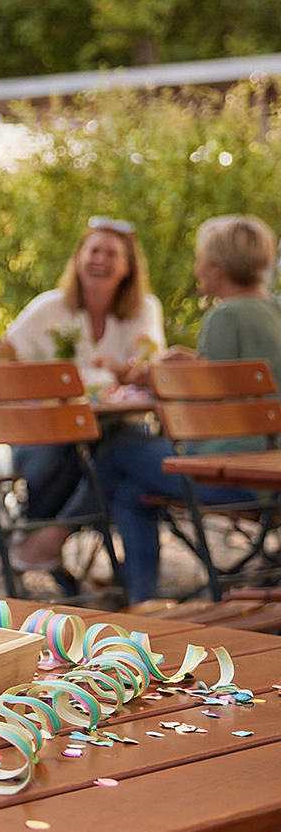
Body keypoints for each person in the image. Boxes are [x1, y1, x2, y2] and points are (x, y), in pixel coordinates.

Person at [95, 215, 281, 603]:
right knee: (132, 492)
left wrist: (164, 376)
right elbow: (246, 380)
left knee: (115, 450)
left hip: (233, 476)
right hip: (272, 471)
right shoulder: (275, 311)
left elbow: (203, 409)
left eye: (199, 262)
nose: (196, 269)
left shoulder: (224, 315)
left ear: (216, 270)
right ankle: (141, 598)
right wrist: (197, 365)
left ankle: (141, 599)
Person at [2, 217, 166, 573]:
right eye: (94, 250)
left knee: (119, 451)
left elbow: (147, 366)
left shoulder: (144, 310)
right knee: (68, 452)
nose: (100, 260)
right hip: (45, 431)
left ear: (128, 267)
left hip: (112, 427)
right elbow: (5, 358)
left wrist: (133, 372)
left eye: (111, 253)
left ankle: (42, 540)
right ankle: (42, 540)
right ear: (78, 258)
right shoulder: (48, 308)